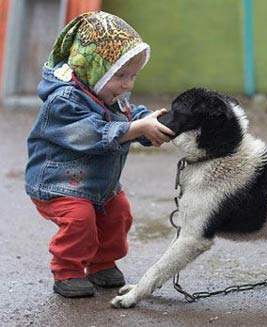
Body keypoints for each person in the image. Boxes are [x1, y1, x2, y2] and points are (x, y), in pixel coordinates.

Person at [24, 11, 174, 298]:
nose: (128, 84)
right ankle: (66, 269)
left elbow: (131, 116)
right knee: (80, 220)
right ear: (93, 68)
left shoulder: (110, 94)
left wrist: (153, 123)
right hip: (59, 184)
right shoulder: (62, 102)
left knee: (118, 213)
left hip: (98, 183)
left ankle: (102, 262)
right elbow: (92, 134)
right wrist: (134, 127)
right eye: (120, 75)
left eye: (132, 76)